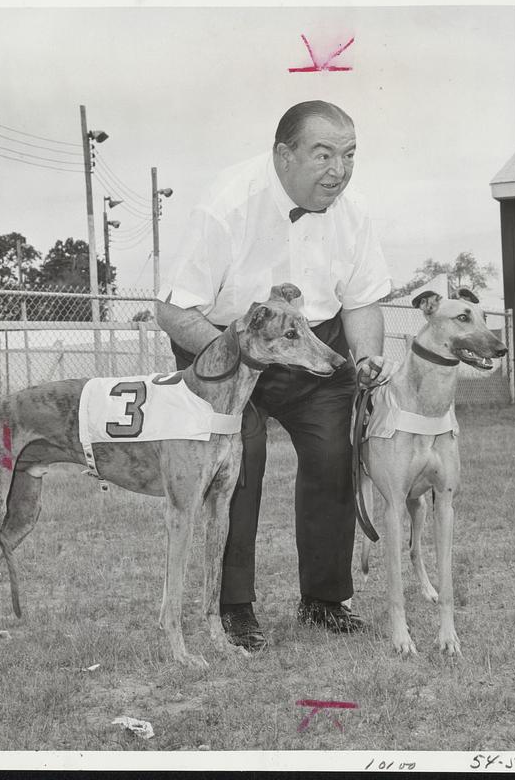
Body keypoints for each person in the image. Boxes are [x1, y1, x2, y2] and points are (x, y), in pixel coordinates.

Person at [156, 100, 394, 651]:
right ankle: (233, 607)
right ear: (283, 155)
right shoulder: (226, 204)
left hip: (313, 345)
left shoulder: (353, 212)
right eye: (324, 154)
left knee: (337, 450)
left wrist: (365, 359)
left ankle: (326, 601)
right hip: (226, 348)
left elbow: (360, 302)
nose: (339, 170)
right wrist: (238, 355)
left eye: (350, 154)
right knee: (241, 462)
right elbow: (174, 309)